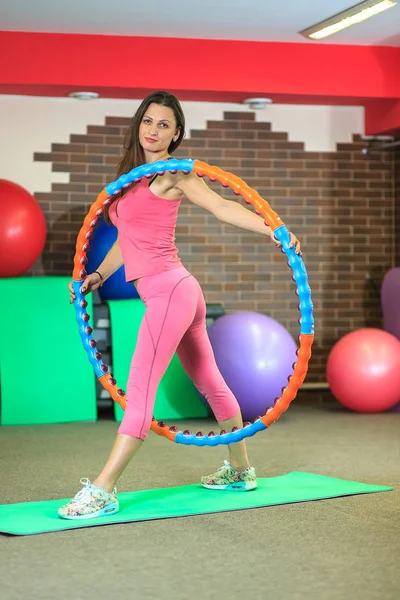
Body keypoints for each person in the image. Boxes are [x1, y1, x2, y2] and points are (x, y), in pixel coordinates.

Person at [59, 91, 301, 520]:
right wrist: (95, 276)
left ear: (176, 133)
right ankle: (242, 471)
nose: (153, 130)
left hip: (171, 291)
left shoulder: (175, 174)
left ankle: (103, 489)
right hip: (176, 291)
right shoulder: (133, 176)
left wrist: (273, 230)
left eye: (164, 125)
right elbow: (125, 241)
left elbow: (222, 206)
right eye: (148, 121)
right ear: (139, 124)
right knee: (211, 382)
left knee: (139, 392)